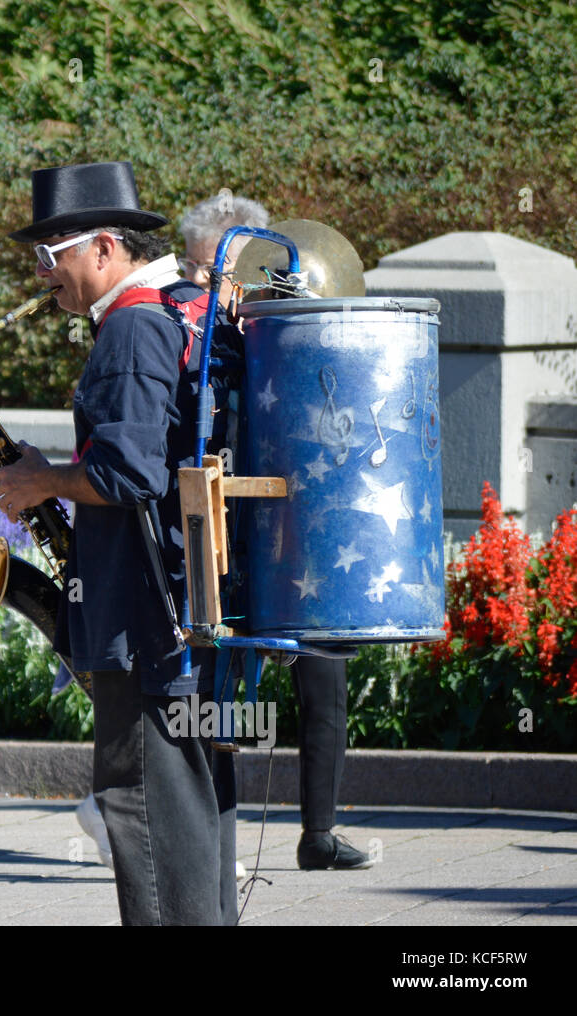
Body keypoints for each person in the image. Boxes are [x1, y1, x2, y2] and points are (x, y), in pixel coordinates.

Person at [0, 162, 237, 925]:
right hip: (187, 606)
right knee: (197, 813)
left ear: (102, 247)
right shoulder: (185, 308)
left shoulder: (132, 325)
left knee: (143, 810)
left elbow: (129, 474)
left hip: (143, 618)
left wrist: (43, 483)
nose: (42, 275)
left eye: (50, 254)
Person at [180, 194, 371, 872]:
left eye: (231, 273)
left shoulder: (282, 331)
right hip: (226, 527)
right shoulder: (186, 332)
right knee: (218, 687)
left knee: (324, 677)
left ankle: (318, 832)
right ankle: (210, 842)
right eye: (206, 272)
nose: (220, 288)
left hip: (297, 523)